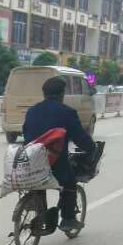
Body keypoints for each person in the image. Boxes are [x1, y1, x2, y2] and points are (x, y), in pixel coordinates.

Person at [22, 76, 96, 232]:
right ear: (62, 94)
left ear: (44, 94)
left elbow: (25, 133)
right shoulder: (67, 112)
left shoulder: (32, 111)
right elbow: (79, 136)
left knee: (38, 183)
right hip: (55, 161)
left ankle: (40, 212)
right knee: (69, 182)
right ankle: (68, 219)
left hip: (31, 159)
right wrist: (91, 148)